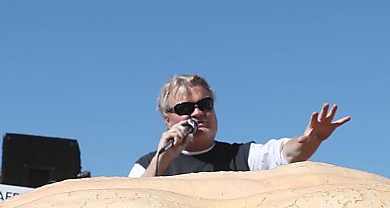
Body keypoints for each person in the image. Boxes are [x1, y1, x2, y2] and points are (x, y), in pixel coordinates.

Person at [129, 74, 349, 178]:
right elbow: (129, 207)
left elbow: (287, 154)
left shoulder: (241, 156)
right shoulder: (146, 165)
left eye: (205, 104)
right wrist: (164, 158)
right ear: (168, 120)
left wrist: (313, 139)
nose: (198, 113)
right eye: (186, 108)